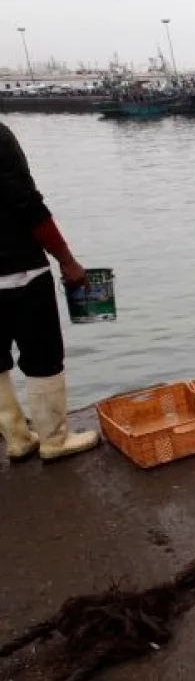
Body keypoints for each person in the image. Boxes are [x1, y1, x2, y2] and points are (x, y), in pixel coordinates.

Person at [0, 122, 100, 462]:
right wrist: (67, 260)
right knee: (42, 353)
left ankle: (16, 439)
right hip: (20, 269)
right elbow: (28, 204)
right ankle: (54, 440)